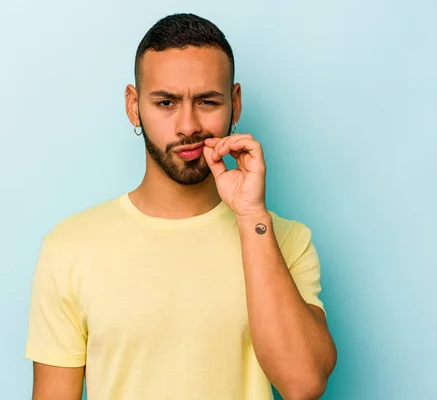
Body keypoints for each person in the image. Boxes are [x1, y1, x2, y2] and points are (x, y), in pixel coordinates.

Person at [25, 12, 337, 400]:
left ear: (235, 104)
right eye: (166, 102)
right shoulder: (69, 247)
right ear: (133, 105)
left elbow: (303, 384)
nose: (188, 125)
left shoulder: (285, 239)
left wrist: (252, 217)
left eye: (207, 101)